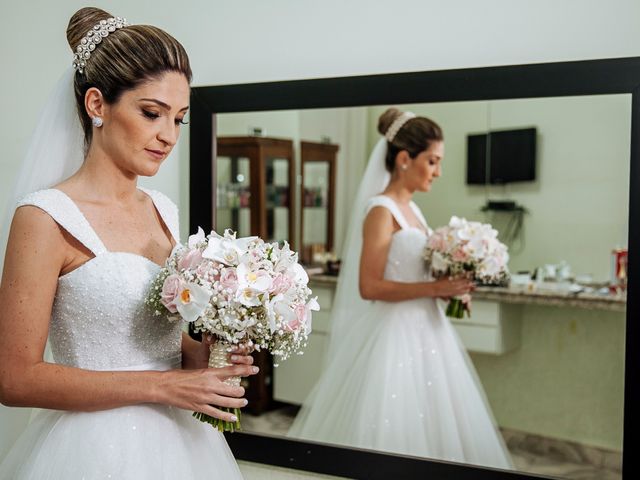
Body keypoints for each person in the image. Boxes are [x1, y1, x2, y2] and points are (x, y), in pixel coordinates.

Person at [0, 7, 257, 479]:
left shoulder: (163, 209)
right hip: (93, 450)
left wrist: (199, 358)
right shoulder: (44, 218)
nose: (168, 136)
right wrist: (162, 387)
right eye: (152, 113)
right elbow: (14, 378)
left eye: (180, 119)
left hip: (183, 444)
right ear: (97, 105)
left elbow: (144, 331)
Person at [288, 108, 513, 470]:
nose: (438, 172)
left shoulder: (414, 210)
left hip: (431, 331)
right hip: (394, 334)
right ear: (405, 159)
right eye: (433, 161)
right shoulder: (381, 210)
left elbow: (418, 273)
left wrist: (450, 288)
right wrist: (436, 288)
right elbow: (369, 286)